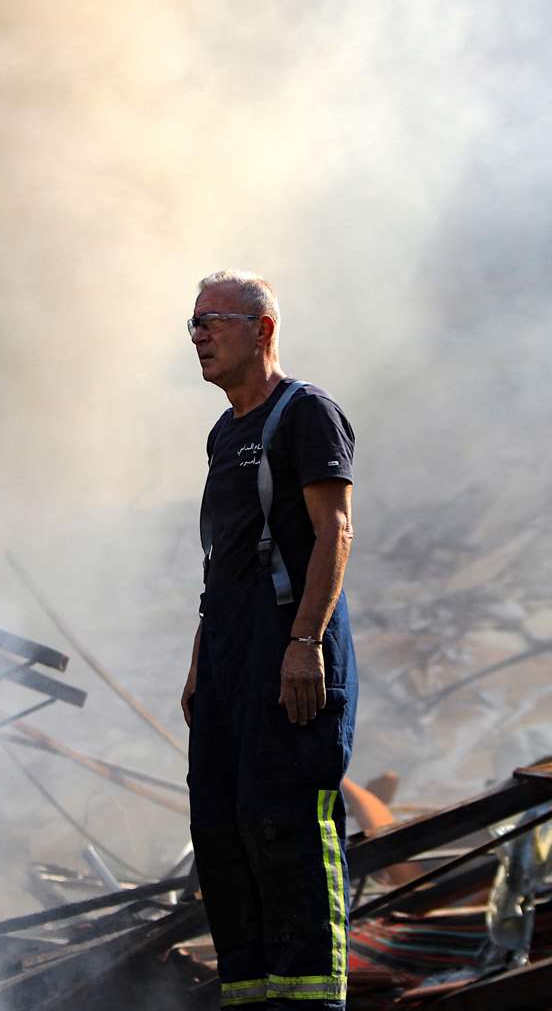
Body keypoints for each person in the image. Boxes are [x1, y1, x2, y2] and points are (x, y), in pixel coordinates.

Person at [182, 270, 357, 1009]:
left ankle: (314, 1002)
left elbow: (334, 532)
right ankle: (252, 997)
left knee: (288, 825)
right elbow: (223, 558)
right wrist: (200, 665)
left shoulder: (304, 413)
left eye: (212, 321)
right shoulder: (226, 432)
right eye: (192, 325)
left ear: (263, 329)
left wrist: (304, 643)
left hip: (290, 659)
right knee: (224, 832)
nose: (198, 336)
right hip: (229, 662)